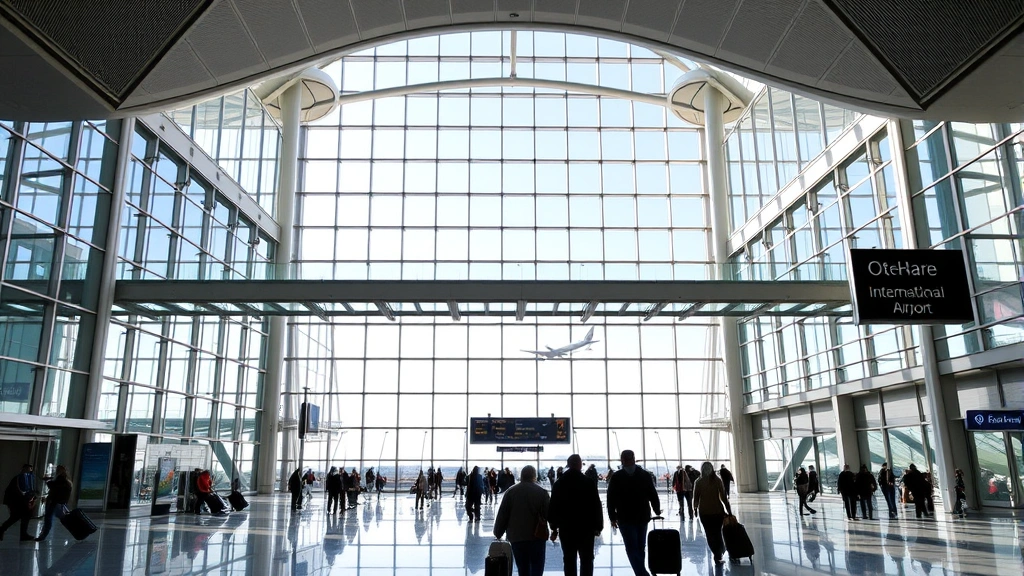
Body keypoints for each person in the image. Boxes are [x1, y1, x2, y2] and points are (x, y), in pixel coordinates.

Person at [606, 450, 661, 576]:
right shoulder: (644, 475)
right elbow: (652, 494)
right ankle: (641, 572)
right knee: (640, 547)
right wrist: (656, 509)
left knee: (632, 548)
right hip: (642, 516)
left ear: (622, 460)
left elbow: (611, 499)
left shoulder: (617, 477)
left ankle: (640, 572)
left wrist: (612, 517)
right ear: (634, 459)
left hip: (625, 517)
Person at [549, 455, 603, 576]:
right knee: (587, 559)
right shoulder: (588, 482)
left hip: (566, 527)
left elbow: (553, 506)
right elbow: (596, 505)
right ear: (579, 464)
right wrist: (598, 526)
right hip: (586, 527)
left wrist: (553, 526)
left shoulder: (559, 483)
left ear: (568, 465)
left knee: (569, 559)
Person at [493, 465, 550, 576]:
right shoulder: (542, 492)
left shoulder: (511, 492)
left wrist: (498, 532)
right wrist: (554, 529)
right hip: (537, 537)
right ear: (534, 476)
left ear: (521, 476)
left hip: (517, 537)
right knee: (537, 568)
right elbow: (549, 514)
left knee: (522, 569)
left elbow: (503, 514)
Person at [693, 461, 732, 565]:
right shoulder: (717, 480)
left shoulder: (698, 481)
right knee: (718, 533)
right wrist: (728, 509)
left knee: (709, 534)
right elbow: (723, 496)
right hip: (717, 511)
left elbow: (695, 497)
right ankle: (719, 553)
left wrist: (695, 508)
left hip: (704, 513)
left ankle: (716, 552)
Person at [35, 465, 72, 541]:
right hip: (59, 502)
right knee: (60, 518)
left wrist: (48, 481)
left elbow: (54, 488)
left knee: (48, 519)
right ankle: (43, 535)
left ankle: (43, 535)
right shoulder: (66, 481)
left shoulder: (60, 480)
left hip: (54, 502)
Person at [1, 464, 36, 542]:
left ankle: (22, 534)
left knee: (20, 517)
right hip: (17, 502)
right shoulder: (19, 478)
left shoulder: (23, 478)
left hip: (20, 501)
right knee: (17, 517)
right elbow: (18, 491)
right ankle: (22, 534)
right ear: (23, 469)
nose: (30, 471)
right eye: (28, 469)